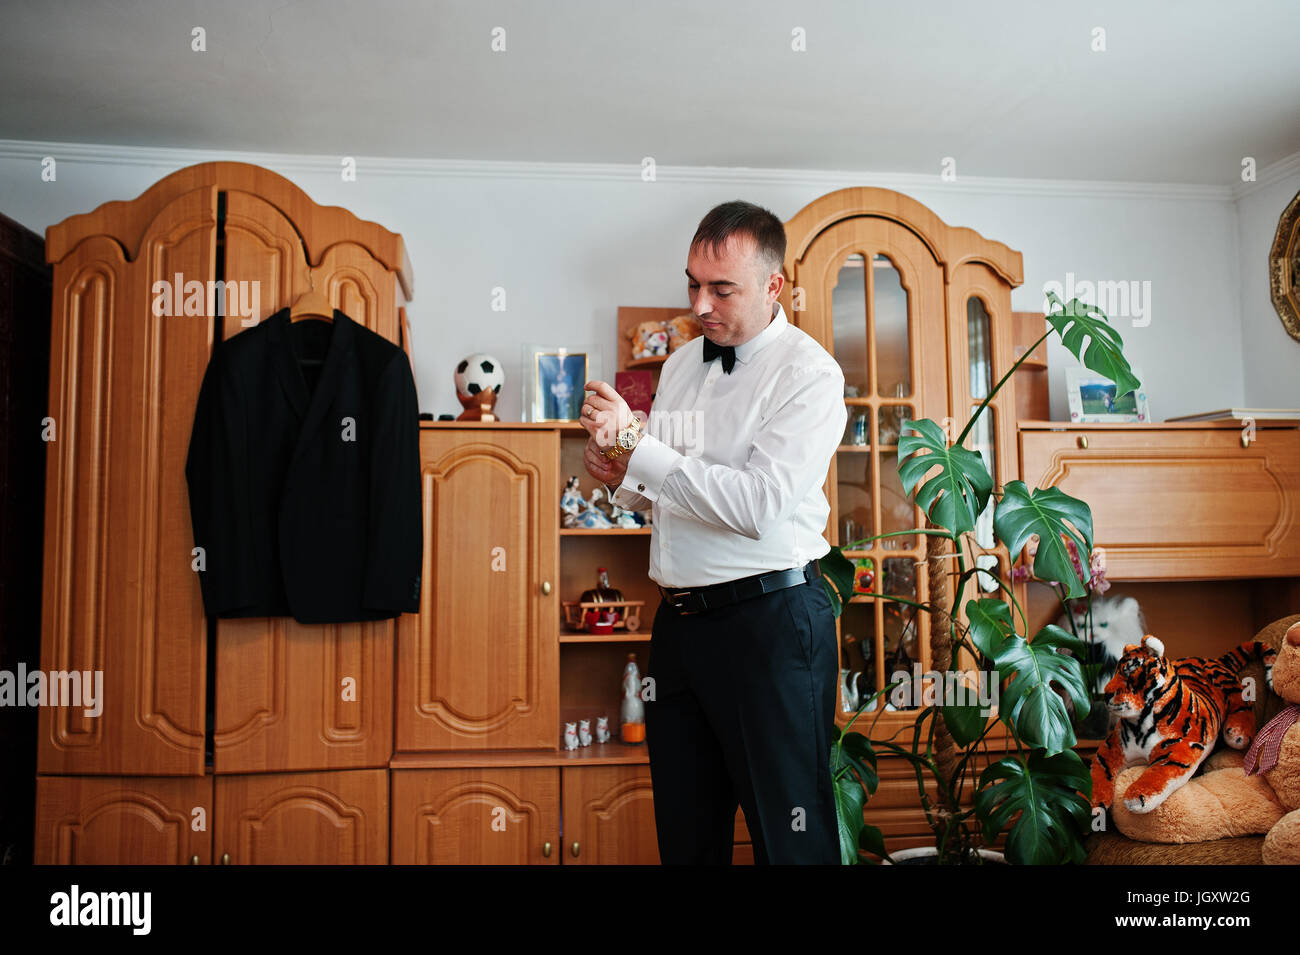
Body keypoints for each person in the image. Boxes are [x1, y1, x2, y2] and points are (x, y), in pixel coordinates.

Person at [579, 200, 847, 865]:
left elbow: (757, 505)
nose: (700, 303)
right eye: (692, 283)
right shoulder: (677, 367)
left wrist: (639, 448)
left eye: (720, 288)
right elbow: (670, 494)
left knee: (791, 845)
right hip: (680, 627)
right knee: (687, 840)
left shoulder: (810, 375)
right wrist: (616, 468)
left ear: (773, 285)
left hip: (772, 624)